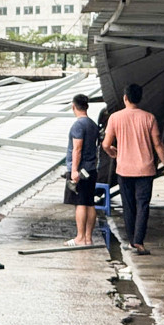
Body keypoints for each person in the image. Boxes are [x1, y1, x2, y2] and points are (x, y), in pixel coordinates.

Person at [101, 83, 164, 255]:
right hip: (145, 170)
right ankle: (139, 242)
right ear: (140, 98)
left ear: (125, 98)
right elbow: (158, 144)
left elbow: (106, 144)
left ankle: (132, 241)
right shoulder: (149, 118)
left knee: (128, 206)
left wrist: (112, 152)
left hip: (124, 169)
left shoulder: (115, 118)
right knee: (143, 205)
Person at [63, 93, 99, 246]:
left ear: (73, 106)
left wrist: (74, 171)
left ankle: (79, 237)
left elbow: (77, 149)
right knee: (90, 203)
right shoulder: (92, 124)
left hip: (81, 170)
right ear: (87, 106)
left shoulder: (78, 125)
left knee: (81, 203)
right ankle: (88, 238)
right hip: (91, 169)